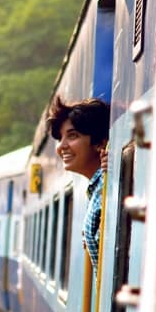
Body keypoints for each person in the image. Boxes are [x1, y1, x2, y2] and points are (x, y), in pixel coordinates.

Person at [45, 95, 110, 269]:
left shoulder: (109, 189)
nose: (61, 146)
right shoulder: (98, 189)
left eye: (72, 136)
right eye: (60, 138)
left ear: (100, 143)